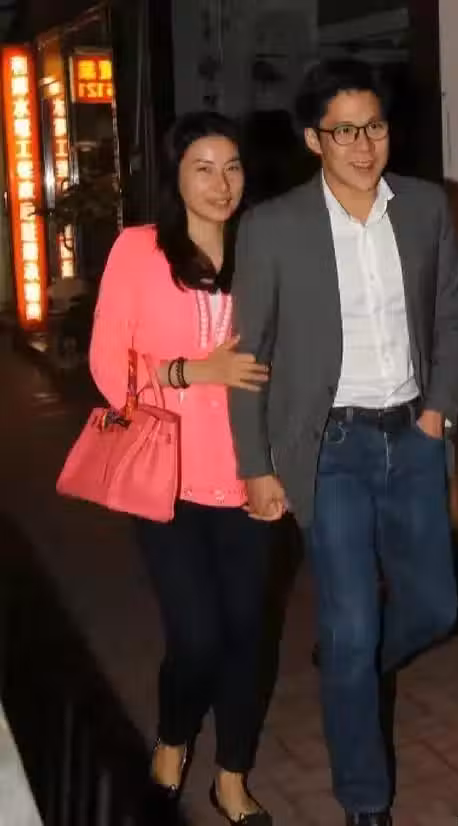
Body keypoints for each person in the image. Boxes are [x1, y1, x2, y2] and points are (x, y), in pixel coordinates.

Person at [229, 59, 458, 824]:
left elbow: (454, 315)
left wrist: (438, 415)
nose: (364, 146)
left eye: (374, 127)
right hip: (329, 449)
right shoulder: (273, 227)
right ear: (314, 139)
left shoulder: (427, 208)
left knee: (435, 607)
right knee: (352, 622)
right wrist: (255, 466)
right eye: (344, 132)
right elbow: (249, 354)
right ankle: (365, 801)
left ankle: (349, 664)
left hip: (413, 438)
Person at [89, 111, 274, 825]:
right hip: (164, 480)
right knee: (196, 635)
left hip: (250, 475)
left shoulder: (261, 249)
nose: (222, 183)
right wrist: (193, 370)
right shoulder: (138, 249)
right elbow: (108, 366)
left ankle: (232, 778)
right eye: (204, 168)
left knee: (247, 636)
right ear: (176, 176)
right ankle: (173, 740)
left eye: (233, 167)